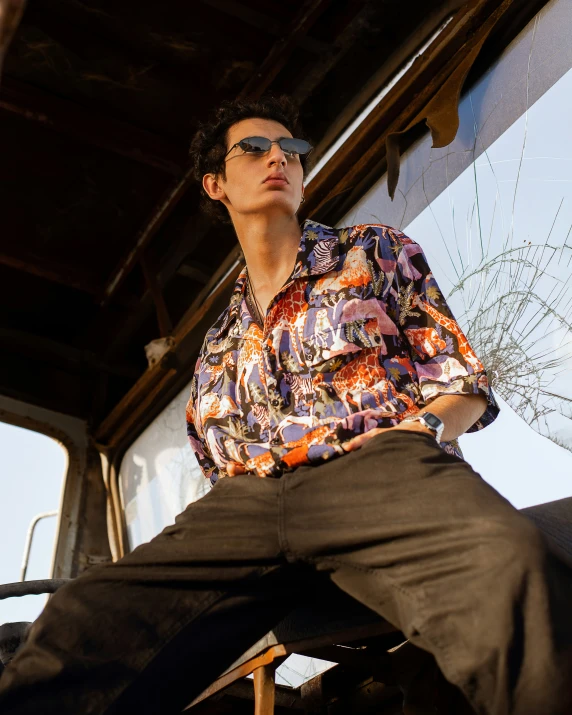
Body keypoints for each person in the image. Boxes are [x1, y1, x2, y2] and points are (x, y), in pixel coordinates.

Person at [1, 95, 571, 715]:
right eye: (254, 148)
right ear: (215, 184)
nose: (279, 157)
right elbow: (214, 458)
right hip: (247, 503)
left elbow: (462, 380)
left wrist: (418, 432)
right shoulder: (219, 342)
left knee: (509, 564)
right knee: (80, 620)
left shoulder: (371, 251)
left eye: (292, 150)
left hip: (377, 467)